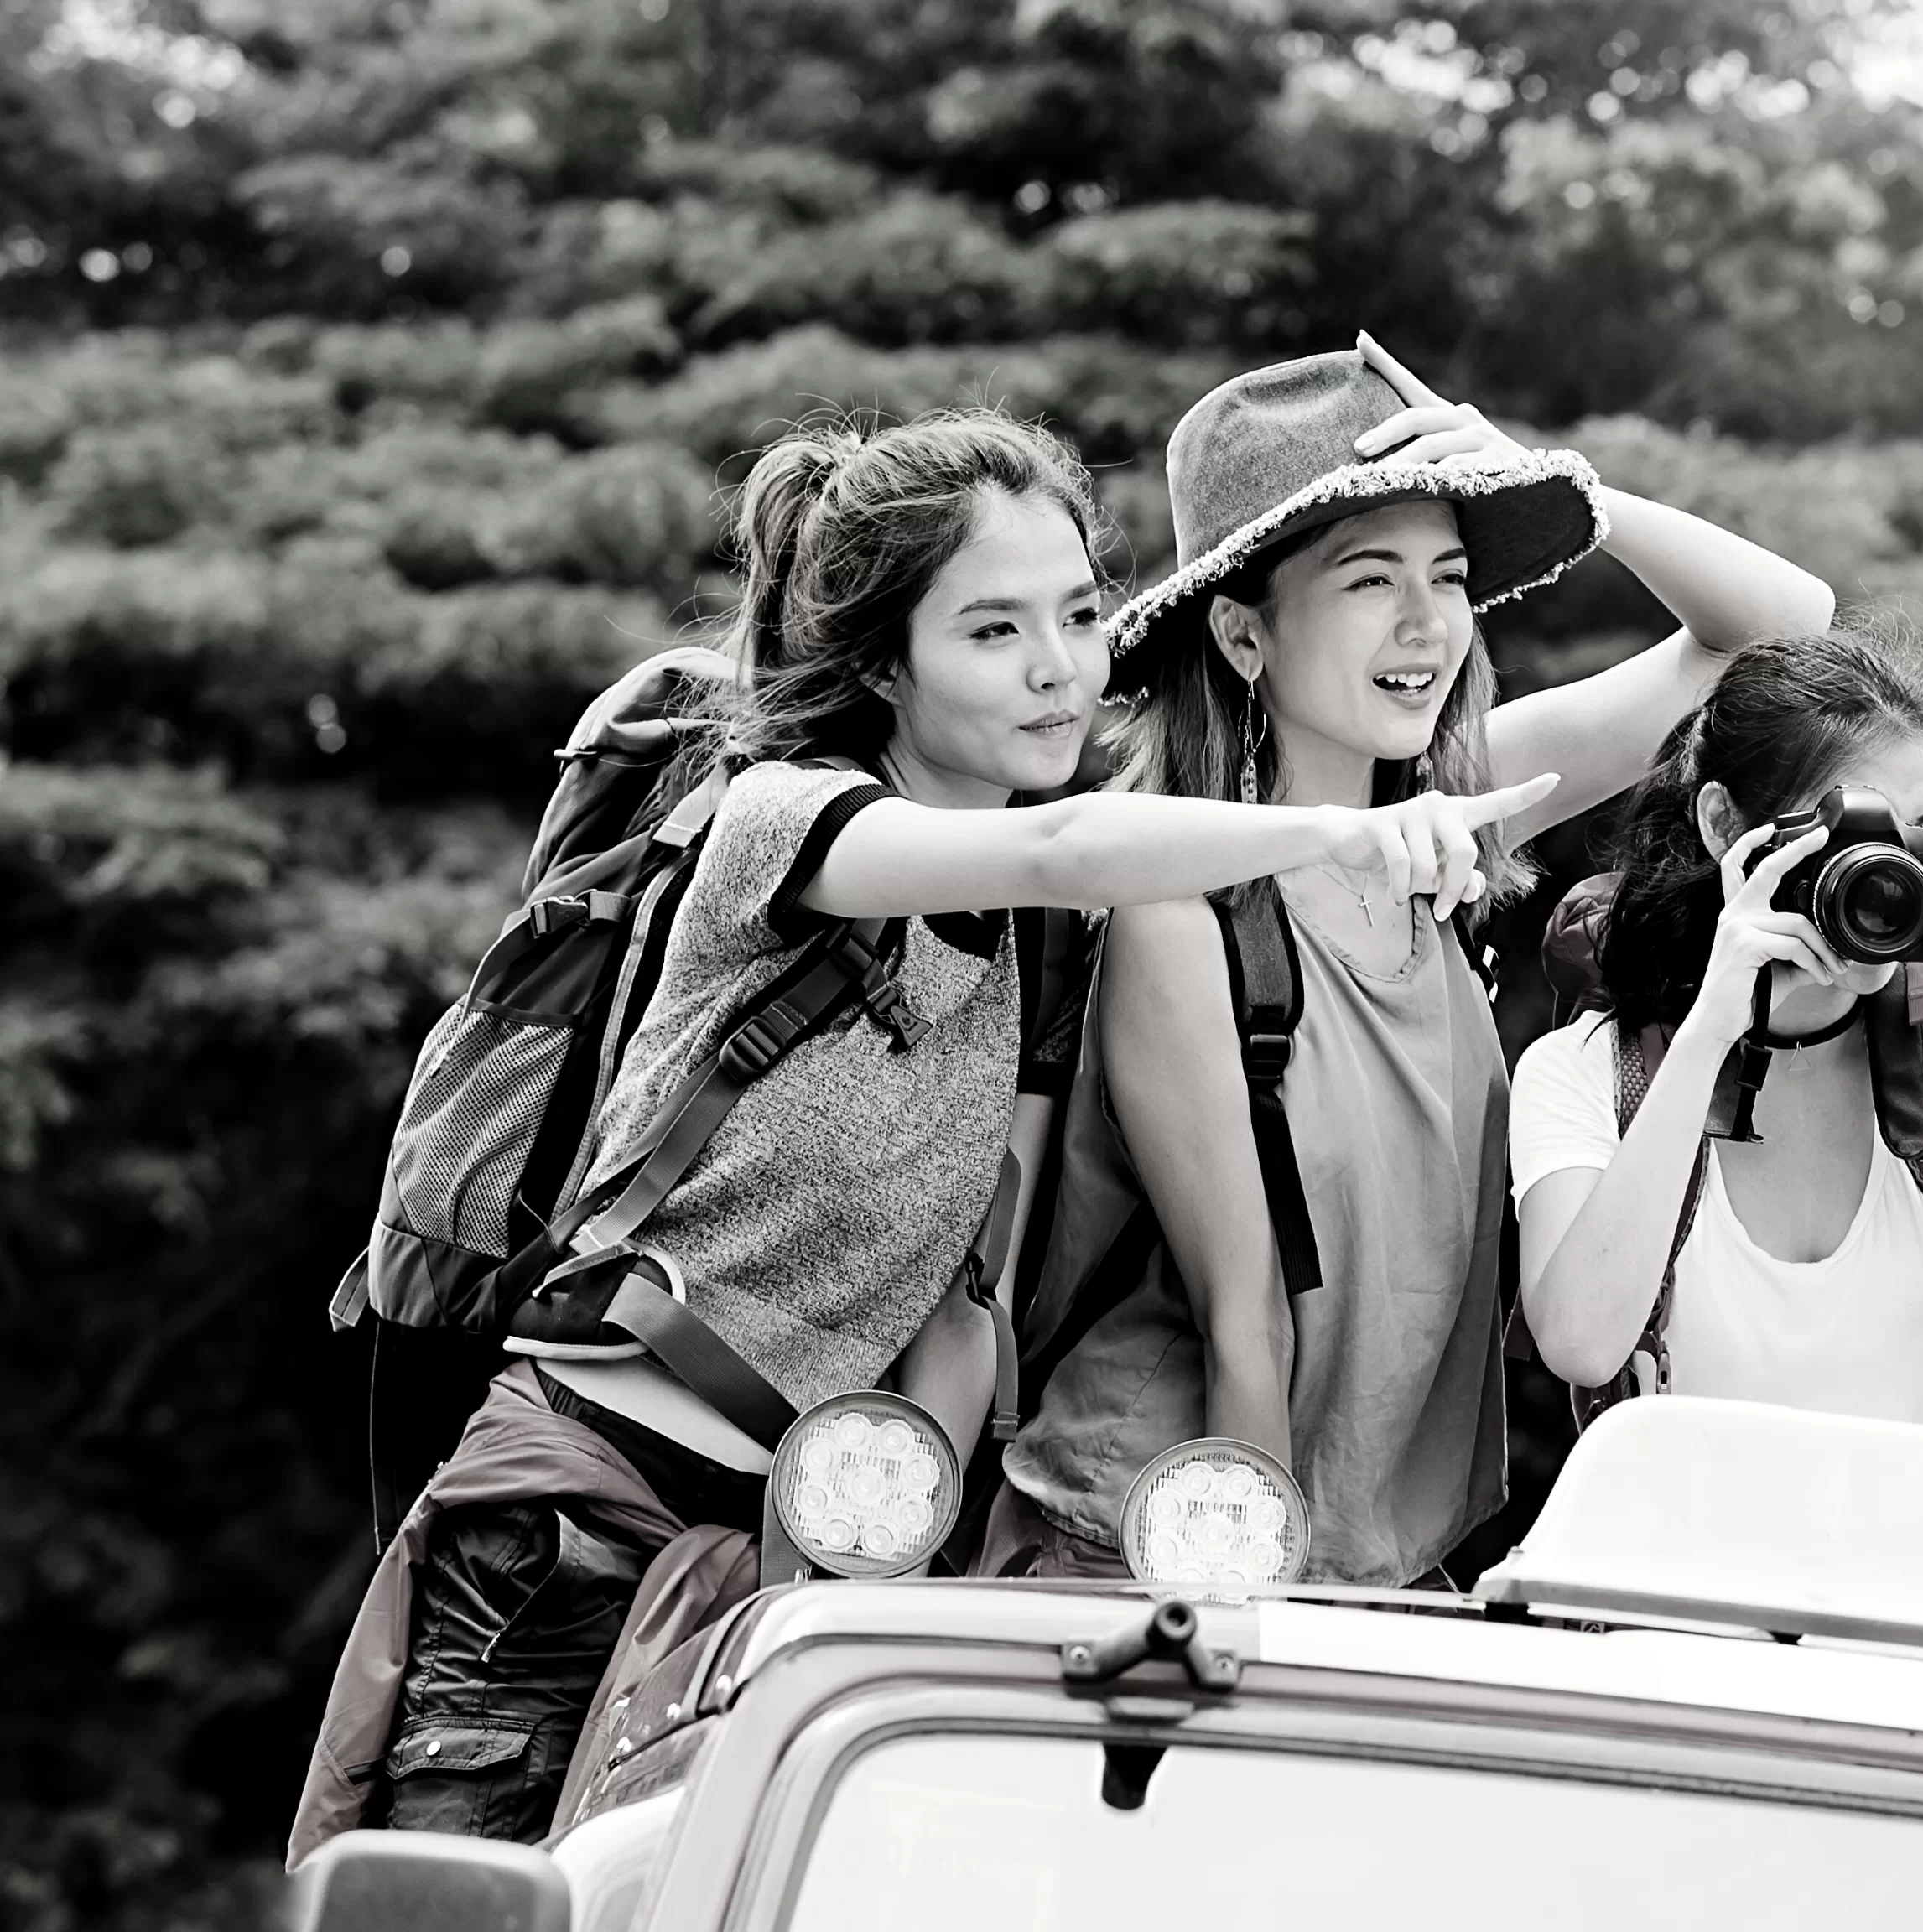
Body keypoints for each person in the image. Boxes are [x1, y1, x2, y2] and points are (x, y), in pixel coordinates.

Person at [293, 408, 1550, 1857]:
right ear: (884, 663)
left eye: (1081, 616)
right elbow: (1071, 841)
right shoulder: (778, 821)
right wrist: (1339, 834)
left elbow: (967, 1303)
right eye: (995, 629)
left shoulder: (1035, 940)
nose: (1059, 667)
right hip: (586, 1510)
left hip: (808, 1554)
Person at [990, 336, 1837, 1586]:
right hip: (1168, 1554)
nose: (1427, 623)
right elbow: (1247, 1327)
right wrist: (1258, 1624)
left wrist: (1561, 482)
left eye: (1449, 575)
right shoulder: (1183, 905)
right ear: (1241, 636)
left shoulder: (1462, 816)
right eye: (1370, 579)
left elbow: (1779, 633)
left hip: (1370, 1568)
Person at [1507, 624, 1923, 1440]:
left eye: (1919, 835)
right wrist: (1708, 1032)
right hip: (1690, 1568)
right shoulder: (1588, 1069)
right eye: (1848, 834)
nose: (1888, 876)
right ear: (1725, 825)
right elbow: (1582, 1344)